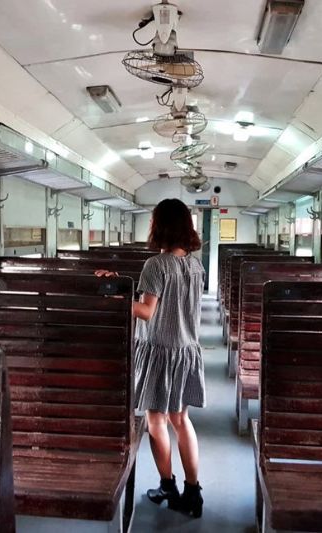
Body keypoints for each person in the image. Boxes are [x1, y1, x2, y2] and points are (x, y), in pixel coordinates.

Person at [96, 198, 205, 518]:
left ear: (159, 226)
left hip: (160, 351)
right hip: (186, 351)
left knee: (156, 421)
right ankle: (193, 492)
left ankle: (167, 484)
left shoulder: (156, 265)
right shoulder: (195, 265)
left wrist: (114, 294)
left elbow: (145, 311)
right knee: (182, 421)